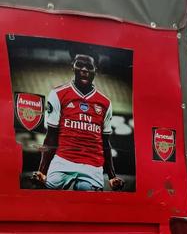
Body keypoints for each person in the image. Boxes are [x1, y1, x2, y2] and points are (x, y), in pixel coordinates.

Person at [33, 54, 124, 191]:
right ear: (72, 67)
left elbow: (105, 142)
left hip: (92, 166)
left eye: (89, 66)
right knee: (47, 199)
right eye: (79, 65)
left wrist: (112, 176)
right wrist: (42, 171)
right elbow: (51, 135)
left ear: (95, 70)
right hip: (62, 161)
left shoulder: (105, 103)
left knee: (87, 207)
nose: (84, 69)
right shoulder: (58, 94)